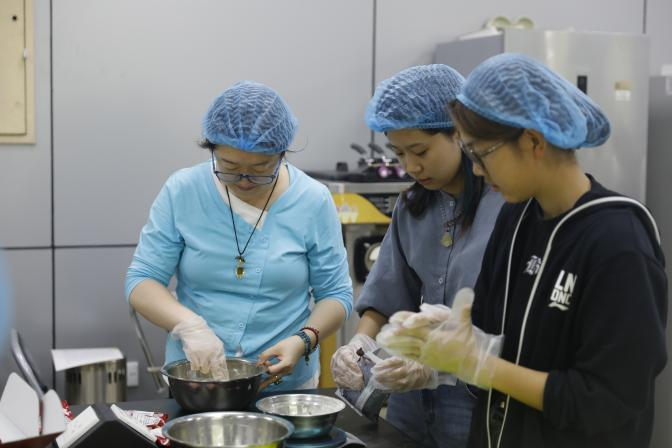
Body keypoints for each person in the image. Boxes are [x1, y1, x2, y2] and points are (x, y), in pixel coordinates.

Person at [379, 53, 667, 447]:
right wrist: (443, 343)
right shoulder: (517, 220)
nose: (475, 170)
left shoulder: (617, 241)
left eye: (481, 154)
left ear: (533, 141)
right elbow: (495, 334)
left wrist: (479, 364)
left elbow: (610, 399)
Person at [126, 81, 353, 390]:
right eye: (229, 166)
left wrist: (303, 339)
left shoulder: (313, 200)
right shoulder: (183, 191)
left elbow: (336, 294)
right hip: (197, 379)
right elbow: (142, 280)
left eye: (261, 169)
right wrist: (190, 326)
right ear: (211, 148)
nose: (244, 181)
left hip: (283, 384)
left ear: (282, 154)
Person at [330, 64, 504, 447]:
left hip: (475, 397)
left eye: (420, 151)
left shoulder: (505, 204)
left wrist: (438, 366)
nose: (410, 167)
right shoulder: (412, 206)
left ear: (459, 133)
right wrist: (359, 345)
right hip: (409, 397)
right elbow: (388, 294)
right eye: (399, 153)